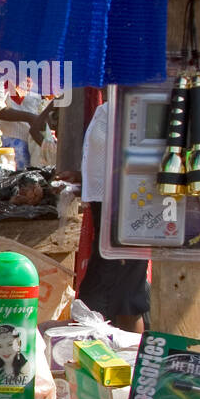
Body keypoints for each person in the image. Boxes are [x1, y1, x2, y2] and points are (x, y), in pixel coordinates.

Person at [74, 100, 149, 332]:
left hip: (128, 204)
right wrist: (82, 177)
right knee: (117, 290)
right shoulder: (113, 102)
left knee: (124, 294)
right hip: (109, 203)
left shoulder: (134, 101)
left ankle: (129, 360)